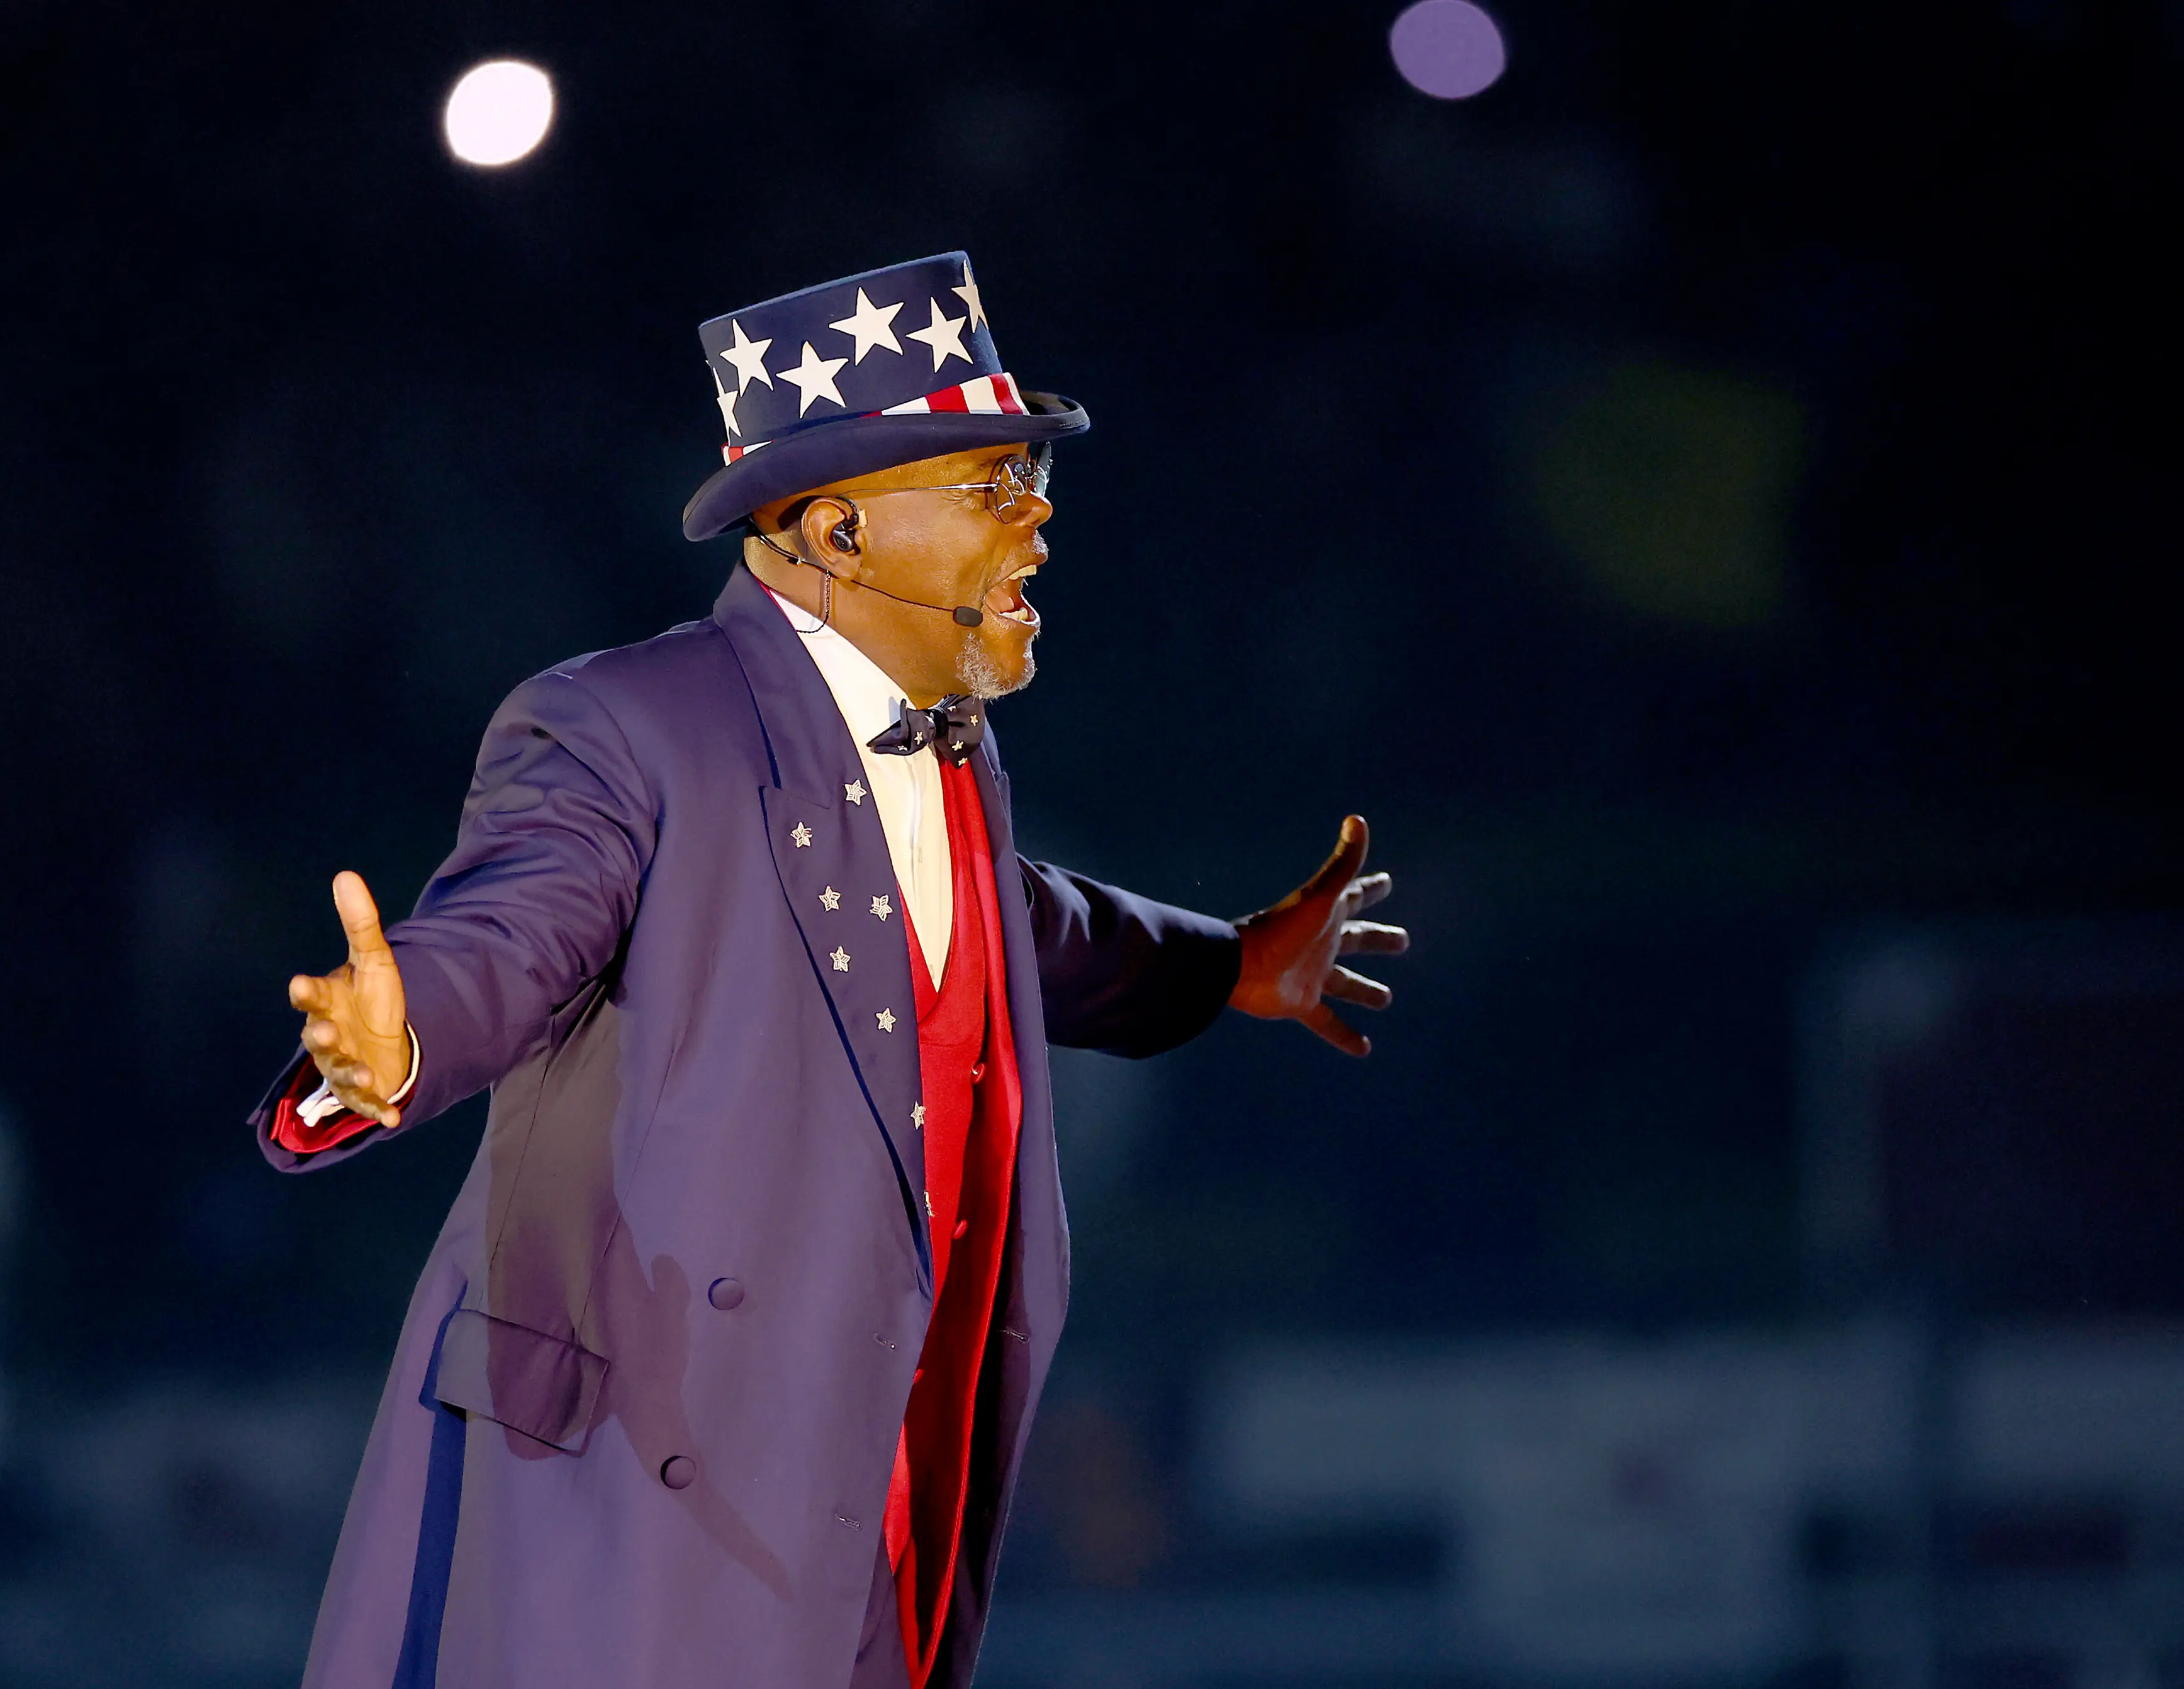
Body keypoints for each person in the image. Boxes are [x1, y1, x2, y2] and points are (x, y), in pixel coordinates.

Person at [254, 253, 1408, 1689]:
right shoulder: (628, 723)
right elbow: (515, 931)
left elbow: (1001, 925)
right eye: (996, 486)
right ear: (843, 531)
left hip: (873, 1473)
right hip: (648, 1480)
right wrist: (397, 1038)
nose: (1038, 526)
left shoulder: (945, 744)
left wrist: (1225, 965)